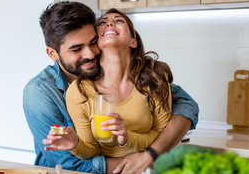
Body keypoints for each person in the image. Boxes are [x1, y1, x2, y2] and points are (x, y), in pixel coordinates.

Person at [23, 1, 199, 174]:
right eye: (77, 49)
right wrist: (143, 162)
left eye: (93, 43)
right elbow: (70, 164)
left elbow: (186, 104)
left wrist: (149, 156)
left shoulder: (139, 76)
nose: (90, 54)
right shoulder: (39, 93)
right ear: (52, 54)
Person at [43, 8, 174, 160]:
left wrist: (127, 138)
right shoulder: (79, 91)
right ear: (95, 42)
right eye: (103, 23)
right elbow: (91, 150)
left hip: (152, 170)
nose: (110, 23)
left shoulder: (155, 79)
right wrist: (75, 144)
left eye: (118, 20)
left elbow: (163, 136)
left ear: (133, 41)